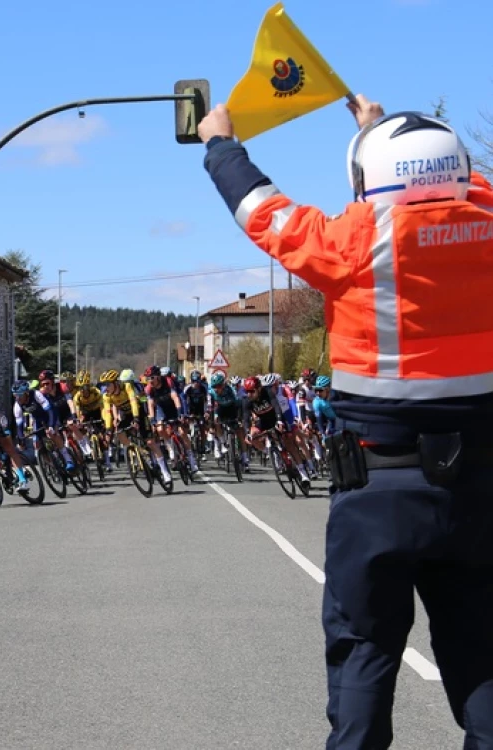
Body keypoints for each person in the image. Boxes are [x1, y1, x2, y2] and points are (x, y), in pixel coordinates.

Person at [199, 95, 493, 748]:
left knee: (364, 654)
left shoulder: (356, 241)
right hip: (478, 488)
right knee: (484, 660)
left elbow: (263, 211)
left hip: (377, 490)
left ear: (369, 180)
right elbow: (449, 179)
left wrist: (221, 144)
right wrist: (382, 138)